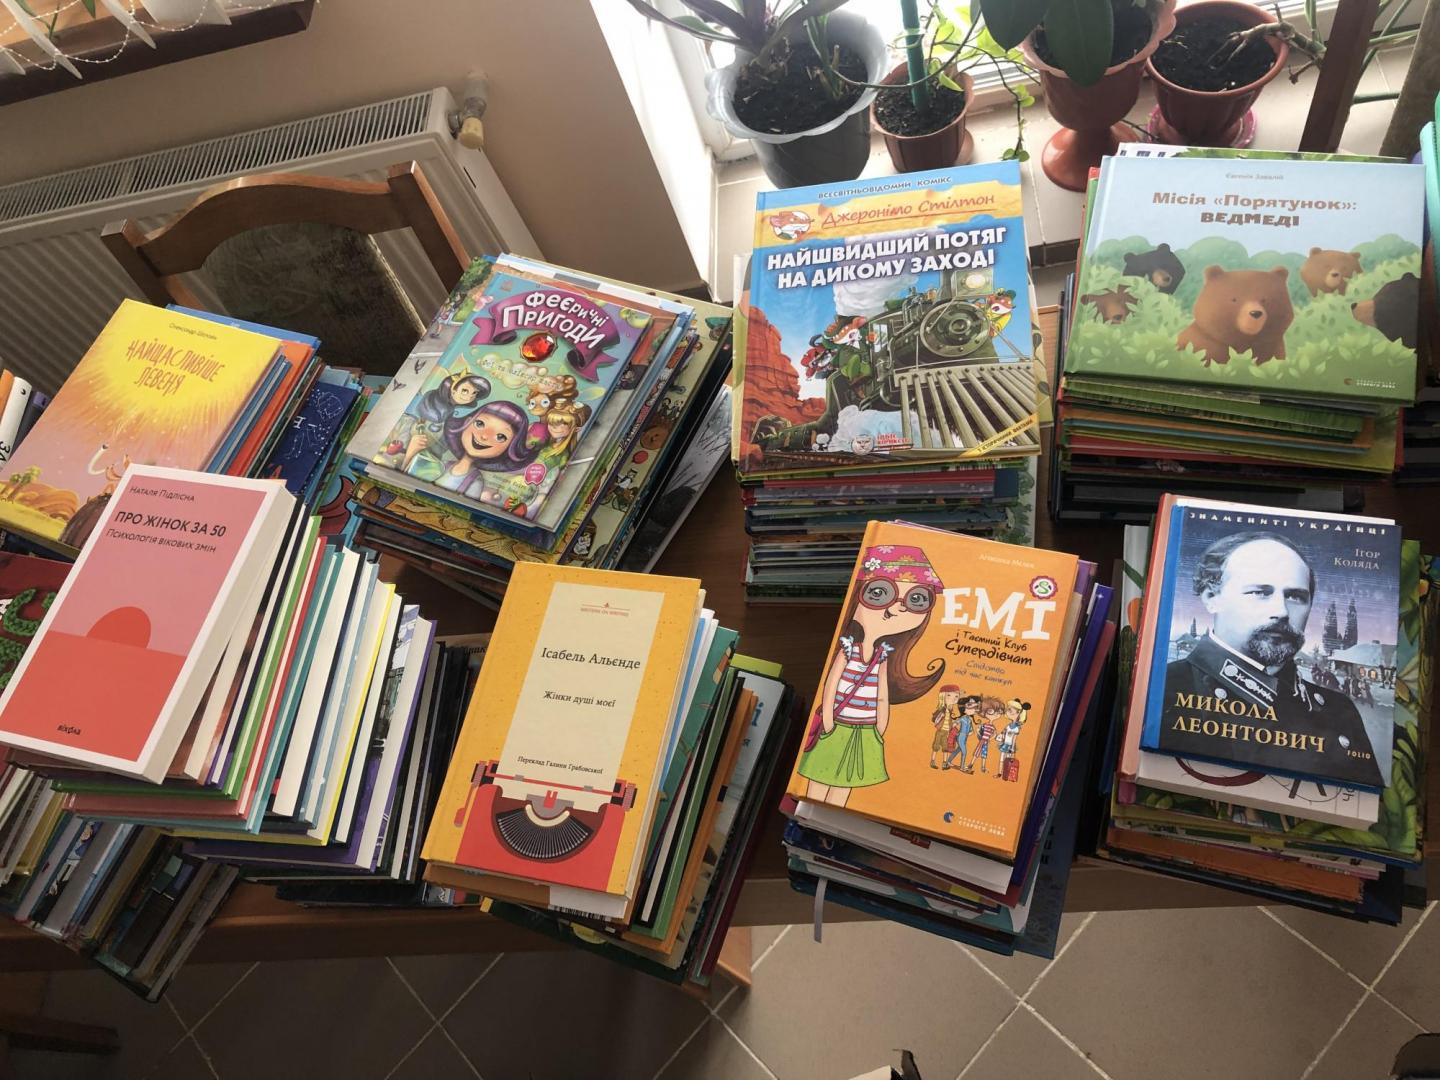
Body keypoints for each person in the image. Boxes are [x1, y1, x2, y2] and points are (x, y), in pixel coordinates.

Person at [1162, 531, 1381, 787]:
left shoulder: (1339, 709)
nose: (1281, 611)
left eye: (1295, 596)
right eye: (1260, 592)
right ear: (1212, 598)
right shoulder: (1164, 688)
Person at [797, 544, 947, 808]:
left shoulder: (883, 656)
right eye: (879, 593)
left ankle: (823, 816)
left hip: (866, 731)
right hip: (837, 725)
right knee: (819, 780)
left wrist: (879, 729)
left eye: (916, 599)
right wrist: (829, 722)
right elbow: (831, 687)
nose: (898, 609)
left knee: (846, 784)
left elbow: (881, 697)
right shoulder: (847, 649)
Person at [943, 694, 980, 772]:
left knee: (957, 750)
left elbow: (970, 730)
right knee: (964, 752)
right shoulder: (962, 718)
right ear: (964, 709)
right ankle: (962, 767)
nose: (974, 709)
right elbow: (954, 724)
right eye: (970, 707)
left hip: (965, 737)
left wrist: (970, 732)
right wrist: (953, 731)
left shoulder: (970, 719)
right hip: (960, 736)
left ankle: (948, 761)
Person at [929, 685, 962, 769]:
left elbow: (949, 721)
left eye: (956, 696)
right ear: (942, 696)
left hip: (947, 732)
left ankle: (944, 763)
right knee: (936, 746)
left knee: (945, 747)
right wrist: (939, 718)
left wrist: (953, 724)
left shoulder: (950, 710)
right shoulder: (942, 709)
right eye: (949, 695)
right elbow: (934, 719)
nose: (953, 698)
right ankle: (932, 761)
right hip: (940, 731)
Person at [997, 699, 1029, 781]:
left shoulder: (1016, 728)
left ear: (1018, 713)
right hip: (1005, 744)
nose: (1007, 712)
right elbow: (1004, 732)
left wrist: (1012, 747)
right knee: (1002, 759)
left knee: (1008, 760)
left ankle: (1007, 775)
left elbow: (1014, 738)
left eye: (1010, 710)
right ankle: (1000, 773)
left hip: (1010, 746)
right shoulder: (1009, 725)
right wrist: (1001, 736)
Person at [975, 698, 1002, 775]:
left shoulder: (992, 727)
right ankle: (971, 764)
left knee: (984, 754)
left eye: (999, 712)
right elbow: (979, 731)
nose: (996, 714)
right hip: (982, 740)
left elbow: (994, 734)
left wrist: (990, 738)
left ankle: (983, 767)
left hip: (986, 742)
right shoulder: (984, 725)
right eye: (992, 711)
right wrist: (979, 733)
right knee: (977, 752)